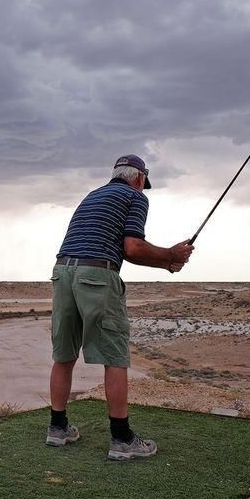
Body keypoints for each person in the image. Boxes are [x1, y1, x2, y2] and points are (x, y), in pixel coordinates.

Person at [46, 154, 193, 460]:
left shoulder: (93, 195)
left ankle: (57, 428)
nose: (143, 188)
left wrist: (167, 261)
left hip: (62, 272)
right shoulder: (134, 197)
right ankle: (122, 439)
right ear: (139, 178)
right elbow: (132, 248)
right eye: (144, 183)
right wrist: (170, 255)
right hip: (97, 275)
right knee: (115, 356)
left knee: (63, 354)